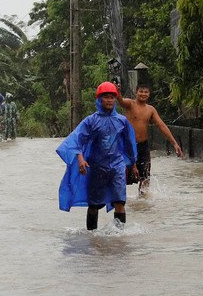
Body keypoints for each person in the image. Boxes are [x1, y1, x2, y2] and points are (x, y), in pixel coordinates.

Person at [56, 82, 139, 230]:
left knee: (120, 201)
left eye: (112, 97)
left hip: (117, 166)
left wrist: (133, 164)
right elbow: (76, 141)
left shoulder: (122, 121)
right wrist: (80, 159)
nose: (109, 100)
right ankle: (92, 237)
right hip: (96, 167)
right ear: (99, 99)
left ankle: (120, 236)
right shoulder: (90, 121)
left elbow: (130, 145)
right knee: (94, 204)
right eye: (106, 97)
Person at [116, 82, 184, 195]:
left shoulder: (150, 109)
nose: (143, 94)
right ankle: (120, 202)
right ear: (136, 92)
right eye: (141, 91)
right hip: (128, 146)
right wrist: (117, 92)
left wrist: (175, 144)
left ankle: (143, 202)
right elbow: (121, 101)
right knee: (123, 175)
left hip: (143, 146)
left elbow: (162, 125)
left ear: (149, 94)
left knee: (145, 176)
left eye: (146, 92)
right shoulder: (130, 104)